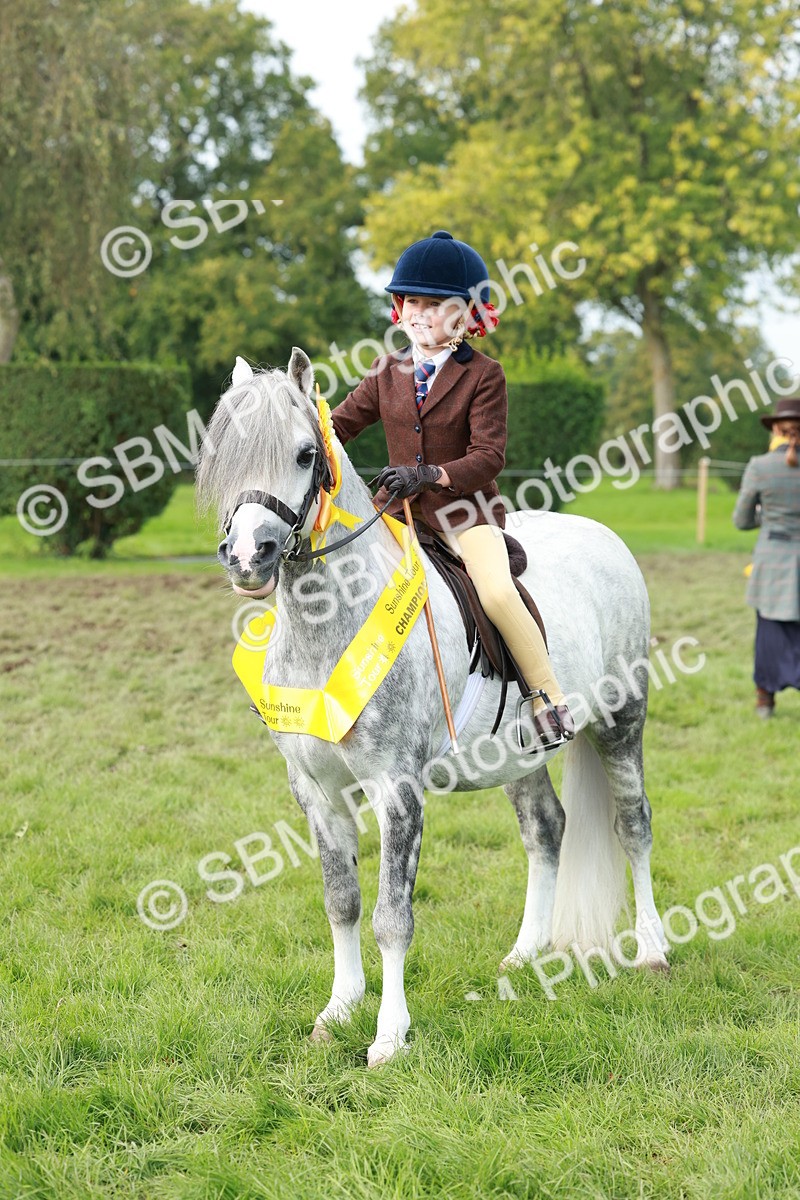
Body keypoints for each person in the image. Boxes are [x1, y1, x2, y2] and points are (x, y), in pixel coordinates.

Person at [330, 229, 575, 747]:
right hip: (395, 514)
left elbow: (490, 456)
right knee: (339, 584)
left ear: (465, 313)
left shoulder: (485, 375)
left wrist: (432, 475)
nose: (420, 313)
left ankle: (547, 699)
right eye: (412, 301)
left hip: (466, 515)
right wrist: (299, 424)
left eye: (436, 304)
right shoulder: (385, 371)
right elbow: (340, 425)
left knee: (496, 592)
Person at [732, 396, 800, 718]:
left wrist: (767, 517)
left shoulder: (759, 467)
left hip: (772, 563)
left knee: (770, 633)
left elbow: (741, 520)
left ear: (775, 428)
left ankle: (765, 702)